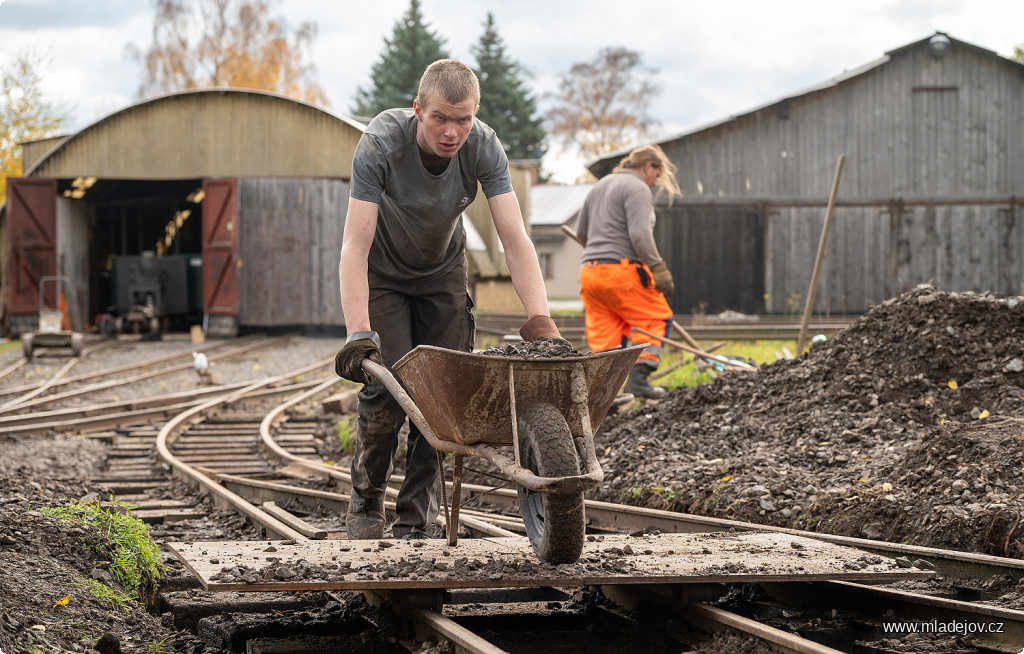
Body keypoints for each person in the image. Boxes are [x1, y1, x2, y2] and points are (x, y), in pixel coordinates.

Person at [334, 59, 565, 540]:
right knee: (386, 392)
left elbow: (515, 237)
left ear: (474, 116)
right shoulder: (381, 143)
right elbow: (355, 244)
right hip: (384, 277)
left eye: (463, 119)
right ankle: (367, 497)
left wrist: (540, 318)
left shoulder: (484, 145)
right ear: (418, 109)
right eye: (440, 117)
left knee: (442, 397)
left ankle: (417, 520)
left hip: (442, 273)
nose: (452, 132)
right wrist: (360, 332)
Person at [574, 144, 681, 400]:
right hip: (622, 272)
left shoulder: (600, 186)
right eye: (656, 176)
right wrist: (657, 267)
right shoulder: (637, 188)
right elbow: (639, 234)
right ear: (647, 167)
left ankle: (602, 396)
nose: (655, 183)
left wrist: (600, 254)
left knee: (607, 335)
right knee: (656, 318)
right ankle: (639, 379)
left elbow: (581, 233)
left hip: (590, 272)